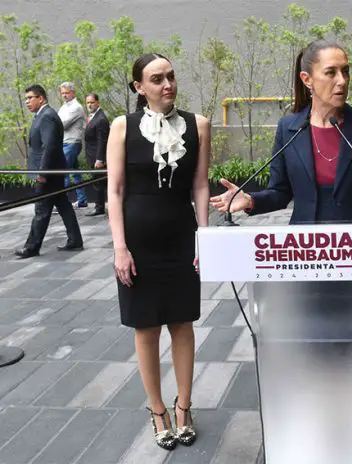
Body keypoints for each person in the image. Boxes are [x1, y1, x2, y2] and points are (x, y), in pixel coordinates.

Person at [210, 40, 352, 223]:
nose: (342, 81)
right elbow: (280, 193)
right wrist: (249, 200)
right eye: (331, 73)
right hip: (305, 250)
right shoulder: (288, 129)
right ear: (307, 79)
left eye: (346, 71)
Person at [106, 53, 210, 450]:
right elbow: (114, 192)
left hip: (182, 236)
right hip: (138, 242)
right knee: (145, 328)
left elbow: (200, 186)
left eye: (170, 76)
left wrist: (204, 235)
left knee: (182, 323)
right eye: (156, 79)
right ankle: (157, 410)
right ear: (139, 87)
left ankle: (184, 406)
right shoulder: (122, 126)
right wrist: (120, 247)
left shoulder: (199, 125)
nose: (167, 84)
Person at [15, 85, 84, 259]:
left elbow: (50, 147)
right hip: (53, 171)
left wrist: (42, 172)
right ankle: (75, 240)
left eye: (30, 98)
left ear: (41, 98)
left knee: (41, 209)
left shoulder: (47, 116)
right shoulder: (43, 116)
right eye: (26, 99)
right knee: (63, 204)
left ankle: (31, 247)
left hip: (49, 172)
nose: (27, 102)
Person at [58, 82, 88, 208]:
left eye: (67, 93)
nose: (64, 95)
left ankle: (61, 203)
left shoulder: (76, 107)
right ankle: (82, 200)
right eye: (62, 93)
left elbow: (61, 124)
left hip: (71, 143)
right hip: (66, 143)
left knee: (62, 172)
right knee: (75, 173)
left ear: (73, 93)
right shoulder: (64, 106)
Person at [84, 93, 110, 216]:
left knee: (100, 183)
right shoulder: (93, 116)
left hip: (97, 157)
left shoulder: (101, 119)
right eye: (87, 102)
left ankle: (100, 207)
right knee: (98, 183)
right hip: (91, 155)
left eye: (92, 102)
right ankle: (99, 206)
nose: (89, 105)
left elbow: (102, 140)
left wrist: (100, 158)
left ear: (98, 103)